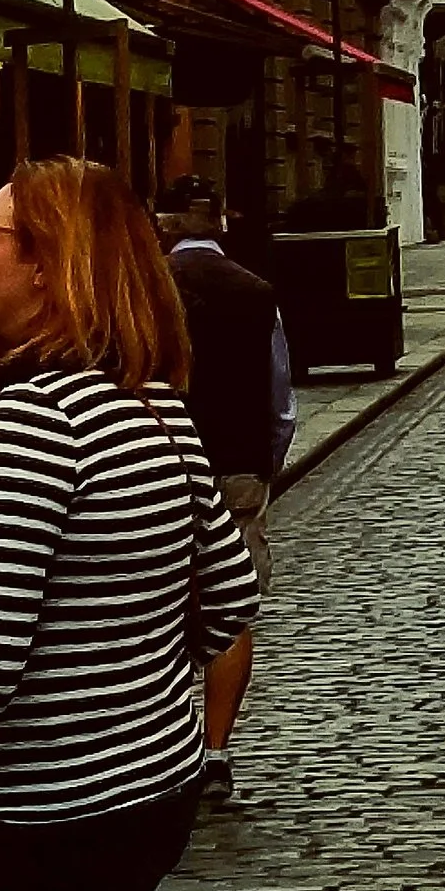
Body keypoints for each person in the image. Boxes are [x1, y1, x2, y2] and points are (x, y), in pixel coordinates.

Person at [0, 157, 262, 891]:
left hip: (34, 822)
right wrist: (122, 676)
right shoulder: (151, 402)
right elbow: (230, 596)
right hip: (149, 790)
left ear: (47, 265)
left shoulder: (35, 420)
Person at [163, 181, 296, 802]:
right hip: (238, 462)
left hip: (159, 462)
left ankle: (164, 743)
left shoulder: (143, 289)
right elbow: (279, 394)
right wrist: (266, 463)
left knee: (157, 602)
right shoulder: (255, 291)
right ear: (218, 222)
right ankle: (215, 750)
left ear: (164, 223)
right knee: (231, 608)